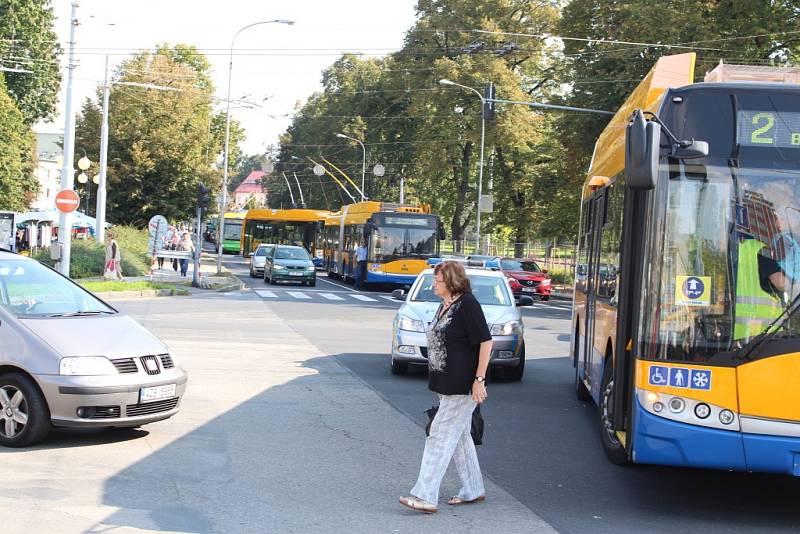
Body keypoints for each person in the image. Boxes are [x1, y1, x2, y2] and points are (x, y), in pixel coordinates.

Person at [400, 261, 493, 514]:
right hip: (446, 384)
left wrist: (479, 380)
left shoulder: (467, 305)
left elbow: (486, 342)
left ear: (451, 280)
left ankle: (425, 495)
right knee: (460, 438)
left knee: (439, 437)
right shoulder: (445, 306)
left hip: (462, 387)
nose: (434, 284)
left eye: (437, 280)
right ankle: (473, 489)